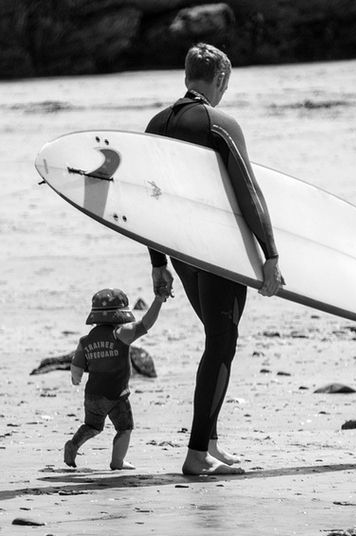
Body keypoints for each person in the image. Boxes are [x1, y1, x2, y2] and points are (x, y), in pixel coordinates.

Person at [145, 43, 284, 475]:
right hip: (218, 250)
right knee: (221, 344)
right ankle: (196, 453)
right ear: (220, 78)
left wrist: (158, 263)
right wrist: (271, 254)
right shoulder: (219, 123)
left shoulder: (156, 124)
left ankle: (212, 441)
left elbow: (147, 199)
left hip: (182, 252)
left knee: (216, 339)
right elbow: (248, 191)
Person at [64, 288, 164, 470]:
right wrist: (158, 300)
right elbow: (146, 324)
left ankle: (73, 444)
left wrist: (75, 378)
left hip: (93, 395)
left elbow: (76, 367)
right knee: (124, 428)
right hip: (117, 396)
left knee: (92, 426)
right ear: (120, 314)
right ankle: (117, 462)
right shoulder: (121, 335)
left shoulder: (85, 340)